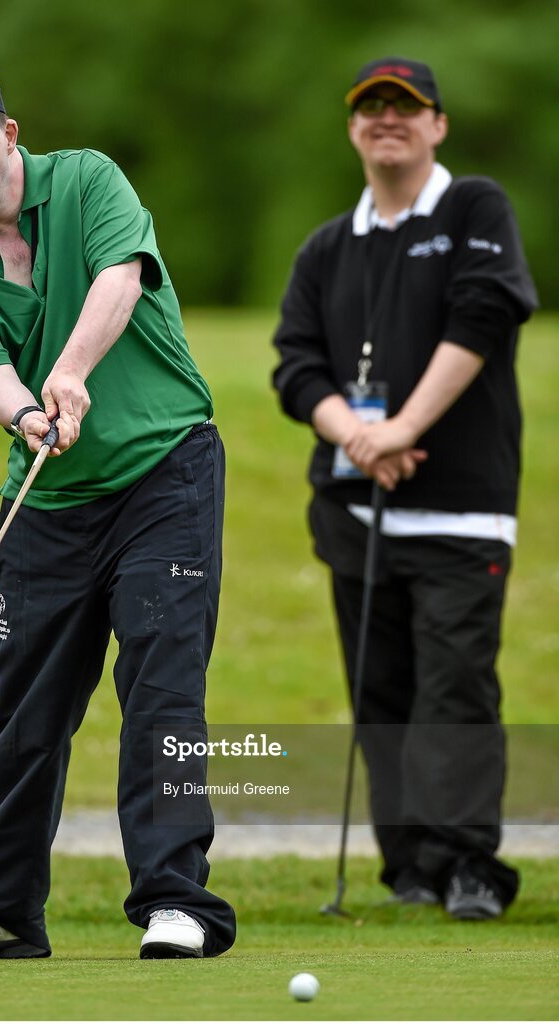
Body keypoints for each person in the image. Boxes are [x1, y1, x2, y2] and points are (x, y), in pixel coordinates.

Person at [0, 60, 235, 961]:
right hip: (47, 500)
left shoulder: (86, 177)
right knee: (27, 713)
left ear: (9, 129)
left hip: (166, 469)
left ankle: (177, 901)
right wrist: (28, 412)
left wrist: (72, 372)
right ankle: (0, 909)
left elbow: (122, 276)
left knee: (161, 688)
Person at [272, 57, 537, 918]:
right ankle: (410, 868)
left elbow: (484, 315)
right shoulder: (325, 246)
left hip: (461, 508)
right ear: (353, 127)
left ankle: (468, 865)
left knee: (454, 687)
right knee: (379, 691)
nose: (388, 118)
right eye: (371, 107)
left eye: (407, 106)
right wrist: (357, 433)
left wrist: (401, 429)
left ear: (438, 125)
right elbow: (297, 365)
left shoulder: (474, 208)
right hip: (357, 507)